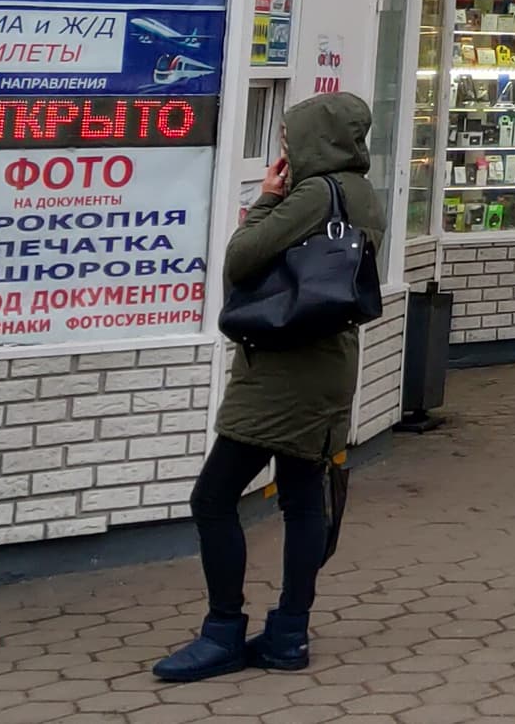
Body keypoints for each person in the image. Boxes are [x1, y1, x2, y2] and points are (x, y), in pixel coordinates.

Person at [154, 91, 379, 682]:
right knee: (302, 500)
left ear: (315, 139)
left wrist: (264, 201)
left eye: (288, 136)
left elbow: (241, 258)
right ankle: (288, 635)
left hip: (283, 370)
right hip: (329, 362)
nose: (284, 145)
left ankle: (223, 631)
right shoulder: (361, 192)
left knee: (212, 497)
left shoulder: (313, 194)